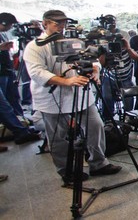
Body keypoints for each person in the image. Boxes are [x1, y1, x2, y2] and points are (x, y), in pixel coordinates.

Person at [24, 10, 122, 181]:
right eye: (57, 23)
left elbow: (92, 59)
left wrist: (95, 71)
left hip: (80, 92)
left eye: (63, 23)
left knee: (95, 125)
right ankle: (66, 170)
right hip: (52, 97)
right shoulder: (35, 46)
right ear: (45, 23)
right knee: (58, 135)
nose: (61, 27)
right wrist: (66, 82)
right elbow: (37, 73)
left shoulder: (73, 41)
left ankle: (98, 163)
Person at [0, 12, 40, 145]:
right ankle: (20, 132)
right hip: (2, 73)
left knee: (13, 100)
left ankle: (22, 125)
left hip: (7, 70)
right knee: (3, 106)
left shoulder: (3, 34)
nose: (10, 28)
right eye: (9, 25)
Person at [98, 15, 138, 120]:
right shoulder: (102, 37)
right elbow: (101, 63)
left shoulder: (124, 34)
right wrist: (104, 50)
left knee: (129, 99)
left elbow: (136, 57)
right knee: (106, 97)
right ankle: (109, 121)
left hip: (125, 74)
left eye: (114, 22)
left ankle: (129, 118)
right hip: (109, 74)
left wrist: (127, 47)